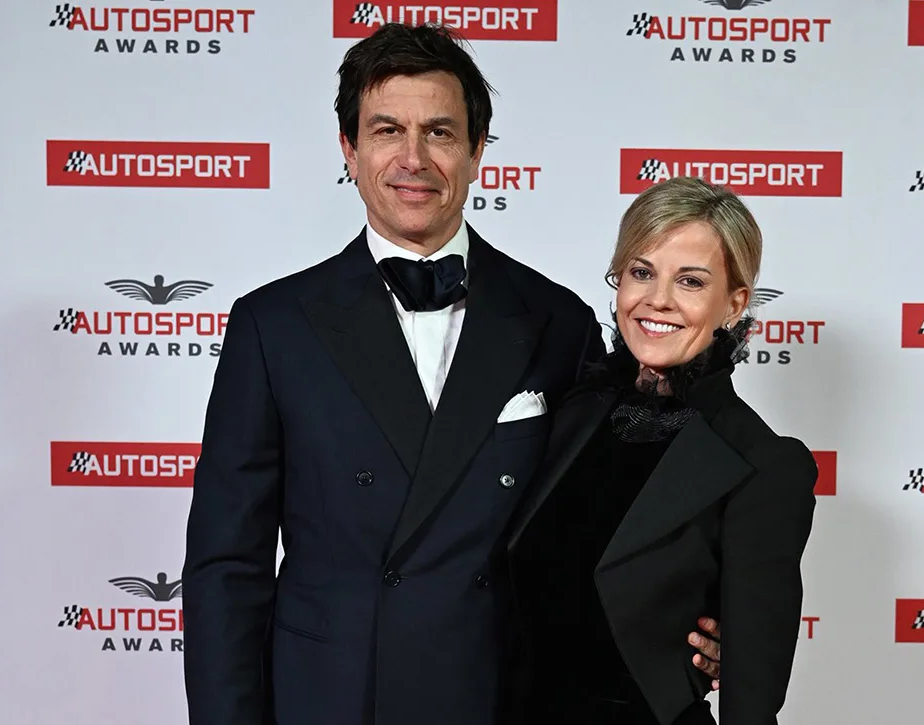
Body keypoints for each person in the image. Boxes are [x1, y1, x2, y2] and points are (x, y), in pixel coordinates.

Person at [180, 23, 723, 725]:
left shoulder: (556, 319)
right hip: (332, 696)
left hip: (500, 695)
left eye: (439, 132)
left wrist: (703, 615)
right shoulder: (273, 325)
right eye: (386, 131)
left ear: (476, 151)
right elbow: (227, 566)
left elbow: (611, 522)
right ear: (349, 149)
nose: (413, 159)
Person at [505, 176, 819, 724]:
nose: (658, 300)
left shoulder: (763, 464)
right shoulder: (573, 411)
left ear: (734, 304)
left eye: (691, 281)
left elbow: (751, 699)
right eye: (642, 272)